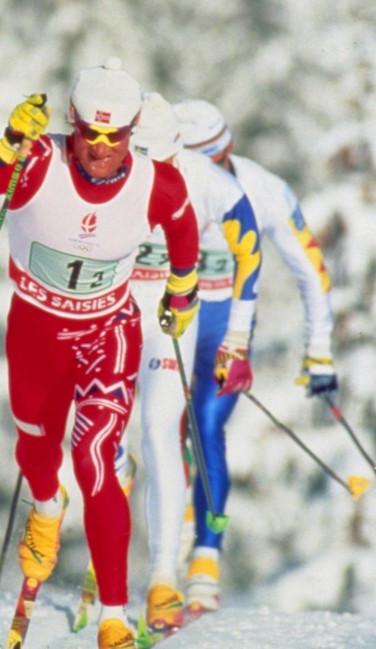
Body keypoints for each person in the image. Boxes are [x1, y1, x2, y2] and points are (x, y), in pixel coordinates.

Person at [0, 58, 201, 649]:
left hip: (106, 335)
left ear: (134, 131)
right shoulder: (36, 161)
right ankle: (44, 503)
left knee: (94, 456)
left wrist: (182, 290)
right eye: (91, 132)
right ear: (72, 122)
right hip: (34, 338)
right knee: (36, 449)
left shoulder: (155, 182)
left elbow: (183, 230)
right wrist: (5, 147)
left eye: (116, 135)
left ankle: (114, 617)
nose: (102, 147)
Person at [172, 98, 338, 617]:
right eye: (196, 163)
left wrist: (319, 354)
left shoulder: (264, 189)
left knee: (205, 426)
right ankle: (167, 538)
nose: (209, 176)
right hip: (169, 322)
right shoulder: (160, 180)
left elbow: (311, 271)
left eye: (216, 162)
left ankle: (205, 560)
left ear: (229, 150)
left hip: (227, 328)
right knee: (159, 428)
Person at [129, 92, 262, 637]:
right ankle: (110, 563)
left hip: (187, 316)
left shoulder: (223, 186)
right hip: (123, 307)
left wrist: (237, 339)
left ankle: (185, 568)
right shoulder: (117, 166)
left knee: (183, 428)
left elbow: (258, 260)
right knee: (106, 438)